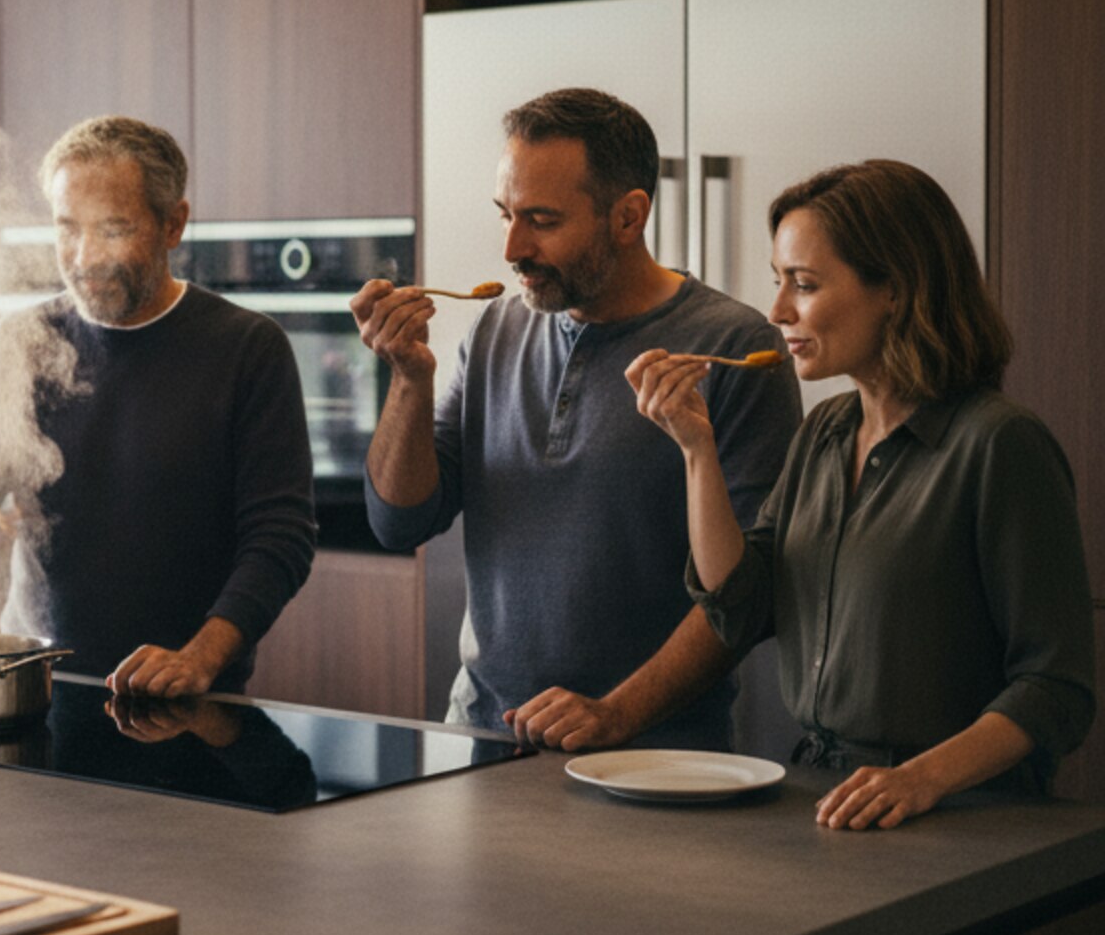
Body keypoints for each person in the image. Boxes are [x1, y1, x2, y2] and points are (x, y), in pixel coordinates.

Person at [626, 159, 1092, 826]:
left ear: (895, 290)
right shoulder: (825, 430)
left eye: (804, 284)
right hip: (827, 796)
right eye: (778, 282)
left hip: (964, 814)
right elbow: (741, 606)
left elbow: (1056, 688)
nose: (778, 311)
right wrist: (697, 450)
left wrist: (920, 779)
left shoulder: (1000, 444)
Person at [354, 89, 800, 749]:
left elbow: (749, 601)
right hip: (484, 733)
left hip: (655, 757)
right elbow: (400, 521)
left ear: (628, 217)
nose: (513, 247)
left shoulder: (733, 347)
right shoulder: (495, 329)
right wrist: (409, 381)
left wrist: (614, 714)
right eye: (505, 214)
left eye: (542, 220)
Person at [0, 116, 315, 697]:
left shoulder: (247, 349)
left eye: (113, 229)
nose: (85, 256)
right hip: (34, 688)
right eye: (67, 229)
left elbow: (281, 539)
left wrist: (199, 659)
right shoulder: (16, 346)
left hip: (186, 697)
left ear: (173, 224)